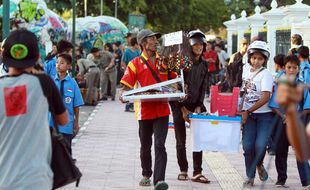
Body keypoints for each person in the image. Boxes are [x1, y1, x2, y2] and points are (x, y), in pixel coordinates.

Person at [0, 29, 68, 189]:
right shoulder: (44, 82)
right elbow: (63, 120)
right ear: (37, 57)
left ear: (4, 56)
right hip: (36, 179)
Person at [120, 29, 170, 190]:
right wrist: (123, 94)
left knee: (160, 144)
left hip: (162, 109)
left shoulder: (164, 61)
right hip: (144, 110)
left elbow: (175, 81)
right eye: (152, 39)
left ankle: (159, 180)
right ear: (143, 43)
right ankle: (146, 174)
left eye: (156, 39)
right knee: (145, 145)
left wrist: (181, 91)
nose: (156, 42)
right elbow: (125, 86)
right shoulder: (134, 64)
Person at [169, 29, 210, 184]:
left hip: (196, 104)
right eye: (196, 44)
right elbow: (174, 87)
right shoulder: (181, 62)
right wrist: (183, 109)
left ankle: (197, 171)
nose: (199, 47)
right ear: (190, 46)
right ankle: (183, 170)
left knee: (198, 139)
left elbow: (203, 86)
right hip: (178, 105)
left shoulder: (205, 65)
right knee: (181, 140)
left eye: (202, 44)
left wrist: (199, 105)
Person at [239, 40, 274, 187]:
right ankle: (250, 176)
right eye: (254, 58)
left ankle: (258, 163)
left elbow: (266, 97)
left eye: (260, 58)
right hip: (248, 116)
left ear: (265, 59)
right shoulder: (246, 70)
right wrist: (241, 110)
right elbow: (244, 92)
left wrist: (248, 111)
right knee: (247, 146)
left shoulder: (266, 74)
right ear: (249, 58)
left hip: (264, 116)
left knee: (260, 145)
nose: (256, 61)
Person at [269, 55, 301, 188]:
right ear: (284, 68)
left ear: (298, 69)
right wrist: (283, 117)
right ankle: (281, 179)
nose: (292, 70)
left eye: (294, 67)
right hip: (281, 123)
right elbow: (274, 105)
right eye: (289, 67)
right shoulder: (279, 84)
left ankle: (306, 180)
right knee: (281, 152)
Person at [49, 53, 84, 155]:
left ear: (69, 66)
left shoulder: (73, 83)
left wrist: (76, 123)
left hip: (67, 125)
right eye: (57, 62)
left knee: (66, 153)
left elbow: (76, 105)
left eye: (62, 63)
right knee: (51, 153)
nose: (58, 65)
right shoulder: (50, 81)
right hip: (50, 123)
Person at [121, 37, 141, 112]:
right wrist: (127, 70)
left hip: (136, 73)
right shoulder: (127, 52)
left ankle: (132, 104)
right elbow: (123, 62)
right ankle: (128, 105)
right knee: (128, 88)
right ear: (135, 44)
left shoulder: (137, 52)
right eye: (138, 44)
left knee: (135, 89)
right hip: (129, 72)